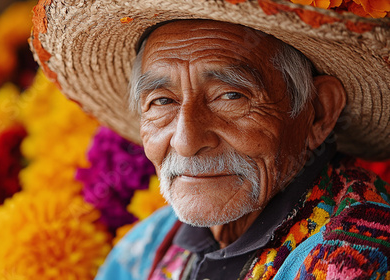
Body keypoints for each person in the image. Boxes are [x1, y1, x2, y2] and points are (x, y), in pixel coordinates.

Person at [30, 0, 390, 279]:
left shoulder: (355, 255)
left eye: (230, 96)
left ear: (318, 112)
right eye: (162, 101)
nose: (186, 141)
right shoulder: (147, 246)